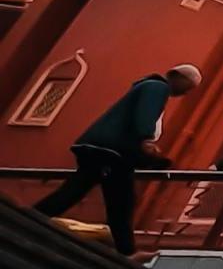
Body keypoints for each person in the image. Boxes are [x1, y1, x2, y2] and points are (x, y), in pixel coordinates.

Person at [33, 64, 201, 256]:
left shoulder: (147, 86)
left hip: (105, 151)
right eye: (187, 87)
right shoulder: (158, 87)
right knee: (115, 201)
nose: (185, 93)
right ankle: (127, 252)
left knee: (103, 197)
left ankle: (33, 216)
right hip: (111, 152)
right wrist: (145, 139)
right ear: (176, 76)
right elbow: (143, 118)